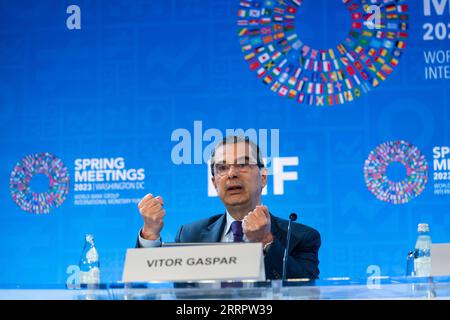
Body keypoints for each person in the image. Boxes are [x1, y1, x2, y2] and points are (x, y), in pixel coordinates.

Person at [136, 135, 321, 280]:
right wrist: (150, 234)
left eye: (242, 165)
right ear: (214, 182)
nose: (231, 174)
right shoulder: (190, 234)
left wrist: (266, 241)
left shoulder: (300, 237)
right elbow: (145, 284)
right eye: (222, 168)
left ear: (263, 178)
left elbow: (306, 291)